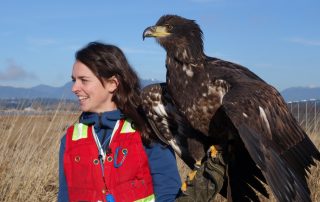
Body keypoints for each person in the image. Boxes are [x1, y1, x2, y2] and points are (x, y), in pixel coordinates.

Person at [58, 42, 181, 202]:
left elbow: (168, 192)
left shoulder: (148, 130)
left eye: (84, 80)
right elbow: (64, 197)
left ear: (112, 84)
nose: (74, 88)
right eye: (74, 80)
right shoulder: (69, 140)